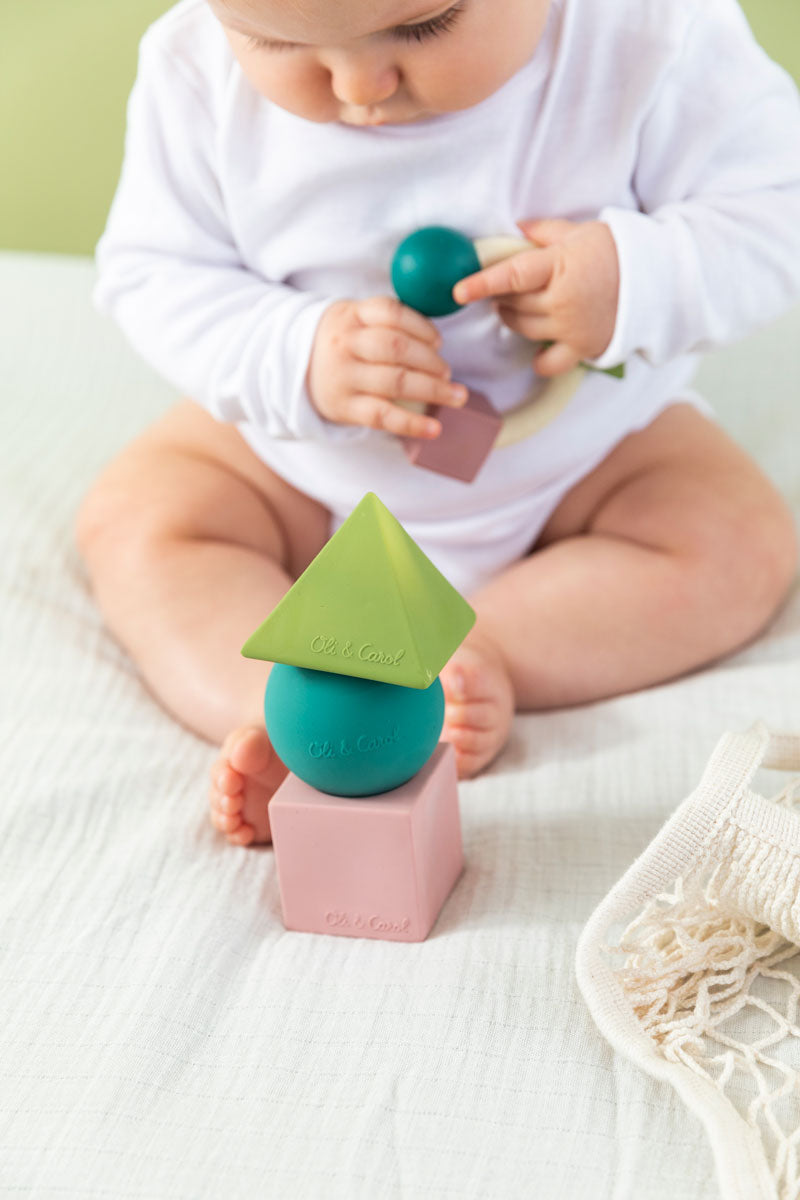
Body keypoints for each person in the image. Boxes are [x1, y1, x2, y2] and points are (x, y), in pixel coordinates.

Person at [77, 0, 800, 846]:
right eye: (273, 42)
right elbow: (153, 272)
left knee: (737, 538)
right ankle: (298, 714)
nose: (358, 85)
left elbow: (775, 211)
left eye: (423, 28)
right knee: (138, 519)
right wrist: (292, 353)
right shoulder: (190, 71)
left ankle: (481, 653)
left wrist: (634, 279)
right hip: (302, 466)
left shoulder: (650, 36)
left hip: (584, 460)